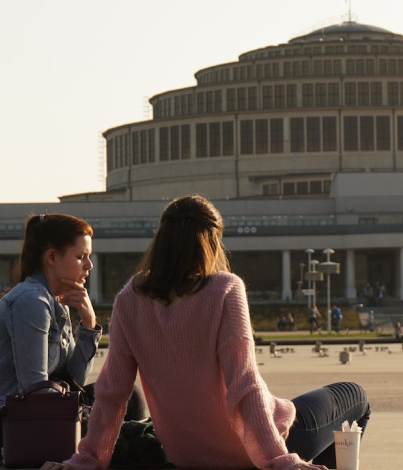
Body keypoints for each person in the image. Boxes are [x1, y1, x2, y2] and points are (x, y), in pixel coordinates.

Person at [46, 196, 369, 470]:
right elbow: (244, 384)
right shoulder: (225, 289)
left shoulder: (130, 298)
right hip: (259, 447)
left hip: (187, 454)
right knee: (355, 396)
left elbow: (112, 393)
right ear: (211, 240)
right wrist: (278, 461)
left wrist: (87, 459)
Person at [0, 214, 106, 465]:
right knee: (112, 426)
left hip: (30, 413)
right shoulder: (31, 301)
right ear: (52, 257)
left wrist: (89, 322)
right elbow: (34, 388)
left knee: (121, 399)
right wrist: (88, 417)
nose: (89, 265)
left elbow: (74, 381)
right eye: (81, 256)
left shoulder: (58, 301)